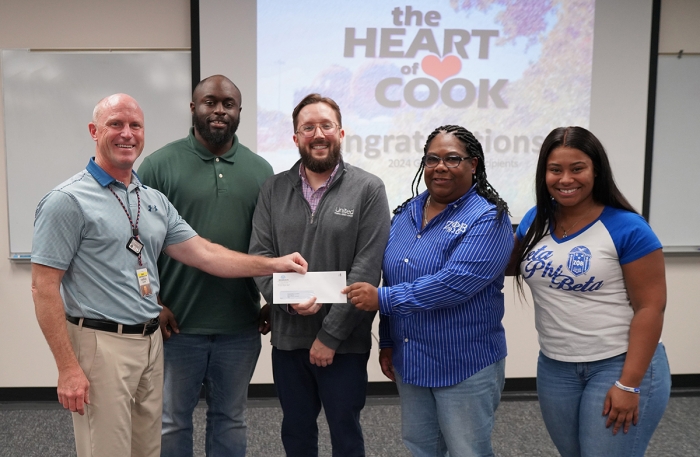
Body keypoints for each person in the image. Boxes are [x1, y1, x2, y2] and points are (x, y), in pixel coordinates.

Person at [30, 93, 307, 457]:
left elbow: (206, 254)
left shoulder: (150, 200)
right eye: (116, 124)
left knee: (147, 449)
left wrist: (274, 264)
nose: (126, 134)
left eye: (135, 126)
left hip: (150, 344)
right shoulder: (67, 200)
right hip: (101, 345)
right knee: (107, 450)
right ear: (94, 131)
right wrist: (67, 368)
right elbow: (43, 287)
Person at [344, 125, 513, 457]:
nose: (440, 167)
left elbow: (454, 283)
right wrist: (389, 342)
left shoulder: (488, 218)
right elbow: (394, 277)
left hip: (465, 364)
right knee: (421, 448)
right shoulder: (406, 213)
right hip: (413, 361)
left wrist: (381, 299)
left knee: (468, 451)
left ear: (474, 164)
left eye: (452, 159)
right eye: (432, 159)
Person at [508, 126, 671, 457]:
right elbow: (508, 265)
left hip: (619, 363)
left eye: (577, 168)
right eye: (555, 170)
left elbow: (650, 308)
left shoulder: (627, 227)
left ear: (596, 170)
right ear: (544, 174)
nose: (565, 179)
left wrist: (629, 382)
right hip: (555, 366)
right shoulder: (534, 220)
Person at [248, 93, 391, 457]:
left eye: (326, 125)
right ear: (296, 138)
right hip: (289, 339)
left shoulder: (368, 189)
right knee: (295, 434)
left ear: (341, 133)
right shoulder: (273, 189)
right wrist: (289, 304)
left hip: (345, 343)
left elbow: (367, 268)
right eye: (307, 127)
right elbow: (260, 258)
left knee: (345, 433)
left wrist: (330, 336)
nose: (318, 134)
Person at [137, 75, 272, 457]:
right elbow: (133, 243)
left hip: (240, 326)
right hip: (176, 326)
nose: (218, 110)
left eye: (228, 104)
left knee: (230, 418)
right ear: (193, 107)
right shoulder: (159, 166)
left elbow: (269, 245)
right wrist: (152, 302)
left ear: (239, 112)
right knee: (171, 420)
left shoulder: (261, 171)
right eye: (209, 102)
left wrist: (274, 298)